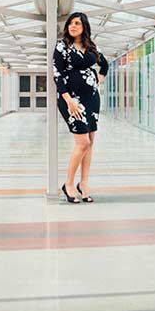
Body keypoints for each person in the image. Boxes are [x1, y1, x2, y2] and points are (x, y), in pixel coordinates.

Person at [53, 12, 108, 204]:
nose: (73, 26)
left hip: (91, 98)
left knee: (90, 141)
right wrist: (68, 100)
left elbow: (105, 65)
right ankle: (68, 184)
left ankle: (83, 184)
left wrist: (97, 81)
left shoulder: (92, 47)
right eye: (70, 23)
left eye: (77, 23)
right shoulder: (62, 46)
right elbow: (57, 74)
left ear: (84, 27)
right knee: (82, 142)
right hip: (71, 99)